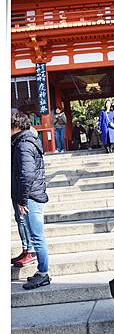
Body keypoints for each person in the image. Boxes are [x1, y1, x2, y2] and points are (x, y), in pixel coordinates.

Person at [11, 112, 51, 290]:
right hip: (32, 195)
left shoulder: (23, 145)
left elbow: (26, 175)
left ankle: (43, 274)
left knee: (37, 236)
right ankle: (41, 271)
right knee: (36, 236)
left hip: (31, 197)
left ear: (15, 126)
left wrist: (22, 200)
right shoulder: (25, 141)